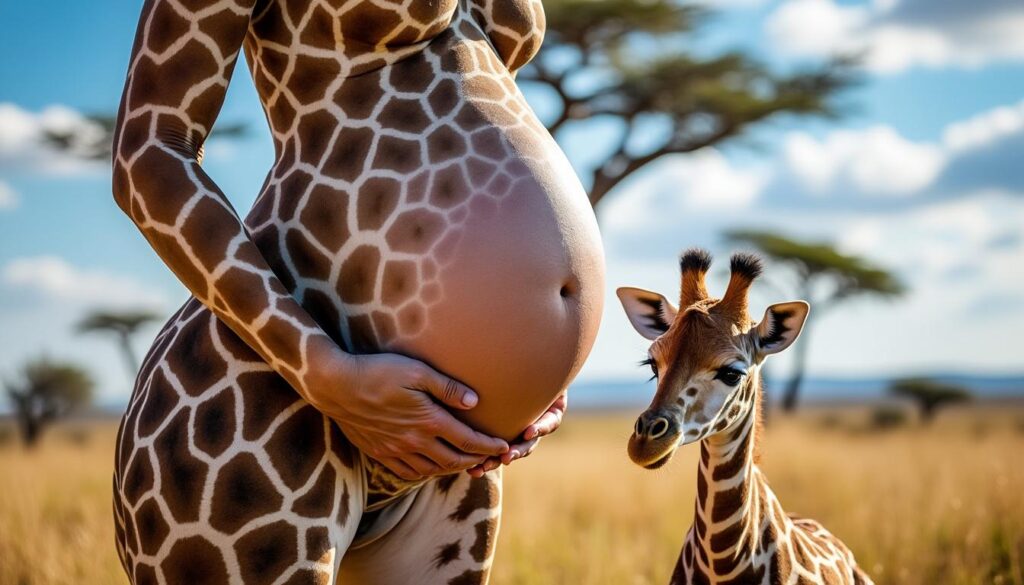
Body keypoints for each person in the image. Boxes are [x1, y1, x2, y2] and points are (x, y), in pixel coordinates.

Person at [111, 0, 604, 583]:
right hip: (263, 392)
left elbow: (471, 112)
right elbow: (149, 153)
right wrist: (322, 369)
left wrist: (536, 369)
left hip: (447, 445)